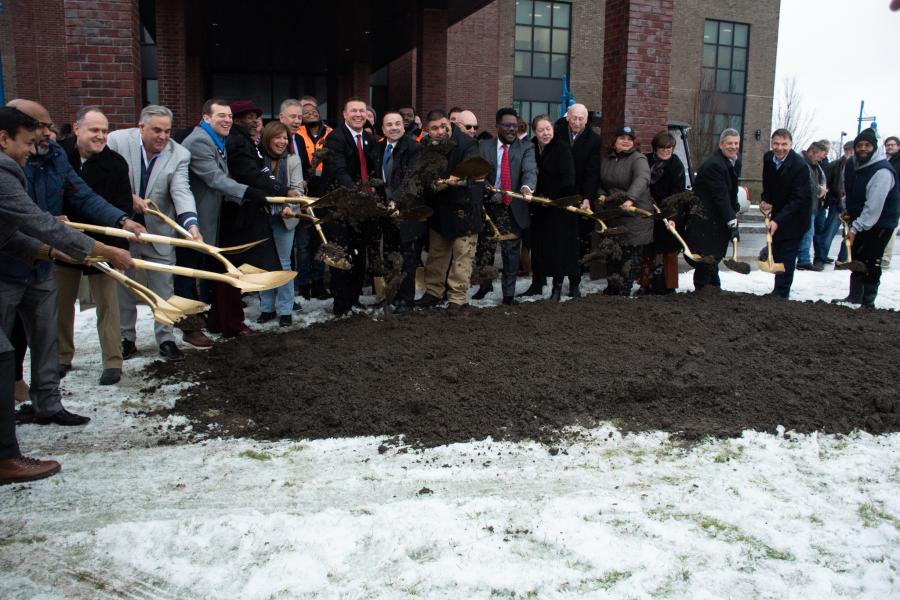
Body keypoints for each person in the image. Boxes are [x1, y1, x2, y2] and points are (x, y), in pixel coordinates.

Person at [0, 106, 134, 484]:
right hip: (9, 268)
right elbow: (32, 220)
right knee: (5, 352)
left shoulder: (54, 156)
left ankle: (47, 405)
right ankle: (6, 446)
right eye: (35, 130)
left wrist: (120, 220)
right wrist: (102, 250)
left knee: (42, 335)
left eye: (44, 127)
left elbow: (81, 195)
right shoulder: (6, 167)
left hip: (38, 259)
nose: (43, 135)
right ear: (7, 135)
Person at [107, 105, 200, 361]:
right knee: (123, 285)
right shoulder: (116, 141)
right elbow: (105, 180)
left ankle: (166, 339)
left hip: (158, 232)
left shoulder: (179, 153)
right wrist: (129, 198)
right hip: (121, 229)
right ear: (141, 127)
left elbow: (181, 191)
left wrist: (191, 225)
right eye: (156, 130)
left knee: (163, 287)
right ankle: (127, 339)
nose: (162, 137)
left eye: (167, 131)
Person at [181, 98, 272, 344]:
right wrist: (248, 192)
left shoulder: (216, 139)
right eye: (221, 115)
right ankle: (191, 329)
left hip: (214, 221)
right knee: (192, 277)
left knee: (213, 274)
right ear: (206, 118)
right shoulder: (200, 141)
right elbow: (214, 178)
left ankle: (213, 321)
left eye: (229, 116)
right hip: (197, 223)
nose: (227, 120)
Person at [56, 106, 133, 385]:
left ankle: (112, 361)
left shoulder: (115, 164)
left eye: (104, 130)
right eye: (94, 130)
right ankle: (62, 356)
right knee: (61, 304)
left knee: (107, 305)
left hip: (103, 243)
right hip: (63, 241)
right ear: (77, 129)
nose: (100, 136)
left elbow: (122, 206)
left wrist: (112, 249)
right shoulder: (58, 156)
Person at [220, 100, 286, 335]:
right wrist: (277, 190)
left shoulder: (245, 141)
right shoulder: (237, 142)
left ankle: (225, 320)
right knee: (236, 269)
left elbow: (259, 171)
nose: (255, 121)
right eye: (249, 117)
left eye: (256, 117)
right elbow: (249, 173)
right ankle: (232, 322)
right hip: (239, 215)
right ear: (237, 119)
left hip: (245, 210)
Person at [416, 109, 482, 309]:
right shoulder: (426, 146)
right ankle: (434, 292)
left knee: (462, 256)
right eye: (434, 128)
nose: (439, 131)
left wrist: (455, 181)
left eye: (443, 126)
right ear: (428, 130)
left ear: (450, 124)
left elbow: (473, 173)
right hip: (439, 209)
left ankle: (457, 298)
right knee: (436, 255)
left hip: (465, 208)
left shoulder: (468, 144)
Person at [472, 108, 537, 305]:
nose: (511, 129)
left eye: (514, 126)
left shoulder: (526, 148)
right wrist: (487, 188)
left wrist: (526, 188)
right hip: (489, 206)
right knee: (486, 249)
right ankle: (485, 286)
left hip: (513, 206)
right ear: (498, 126)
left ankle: (508, 294)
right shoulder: (484, 147)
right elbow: (476, 174)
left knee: (511, 252)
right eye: (507, 125)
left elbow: (530, 170)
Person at [320, 97, 378, 316]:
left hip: (364, 209)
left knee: (359, 254)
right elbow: (339, 171)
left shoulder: (370, 140)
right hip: (340, 207)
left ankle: (354, 299)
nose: (358, 114)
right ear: (344, 115)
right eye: (353, 111)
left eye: (362, 111)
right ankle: (341, 304)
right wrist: (357, 192)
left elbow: (374, 171)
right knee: (341, 254)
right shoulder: (335, 139)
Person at [832, 128, 899, 307]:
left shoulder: (882, 171)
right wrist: (847, 209)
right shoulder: (852, 165)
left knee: (871, 260)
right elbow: (848, 191)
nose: (863, 148)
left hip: (881, 223)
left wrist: (855, 228)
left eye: (867, 145)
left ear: (874, 147)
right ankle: (854, 296)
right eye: (859, 145)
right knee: (858, 257)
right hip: (861, 219)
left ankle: (868, 303)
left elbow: (873, 208)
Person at [683, 128, 743, 292]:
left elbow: (731, 190)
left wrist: (734, 207)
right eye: (729, 143)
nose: (733, 146)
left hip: (718, 217)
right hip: (706, 218)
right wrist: (732, 222)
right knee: (707, 255)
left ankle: (714, 288)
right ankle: (702, 290)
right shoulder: (714, 165)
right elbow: (720, 196)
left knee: (713, 256)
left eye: (736, 143)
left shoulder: (734, 161)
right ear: (721, 144)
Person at [257, 121, 304, 326]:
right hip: (262, 218)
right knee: (263, 265)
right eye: (278, 137)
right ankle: (266, 308)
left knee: (284, 264)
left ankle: (286, 310)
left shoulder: (293, 160)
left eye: (285, 138)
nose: (282, 141)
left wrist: (290, 207)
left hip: (285, 219)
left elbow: (298, 190)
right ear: (268, 138)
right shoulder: (258, 160)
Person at [596, 126, 652, 296]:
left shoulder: (638, 159)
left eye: (629, 138)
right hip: (614, 215)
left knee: (630, 256)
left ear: (634, 142)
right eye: (622, 138)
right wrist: (601, 195)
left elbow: (642, 179)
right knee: (613, 254)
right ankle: (613, 287)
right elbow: (600, 182)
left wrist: (631, 198)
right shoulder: (607, 159)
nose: (626, 141)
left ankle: (624, 290)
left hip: (634, 215)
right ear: (614, 141)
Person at [376, 110, 422, 314]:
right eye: (389, 124)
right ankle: (391, 295)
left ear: (404, 127)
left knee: (407, 258)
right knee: (389, 255)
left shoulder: (414, 148)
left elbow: (411, 178)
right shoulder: (377, 149)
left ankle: (406, 300)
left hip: (407, 212)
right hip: (386, 213)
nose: (394, 127)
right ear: (383, 129)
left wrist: (396, 199)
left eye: (397, 123)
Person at [527, 114, 578, 301]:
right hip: (539, 205)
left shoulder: (562, 148)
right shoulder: (531, 146)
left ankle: (560, 286)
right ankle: (537, 282)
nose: (545, 133)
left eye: (548, 129)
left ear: (553, 129)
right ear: (535, 132)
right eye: (541, 130)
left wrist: (554, 198)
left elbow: (568, 178)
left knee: (560, 247)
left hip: (560, 205)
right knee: (539, 245)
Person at [758, 128, 812, 298]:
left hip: (795, 217)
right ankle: (778, 289)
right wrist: (765, 199)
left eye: (784, 144)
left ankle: (782, 293)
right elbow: (768, 184)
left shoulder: (800, 166)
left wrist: (778, 220)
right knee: (778, 251)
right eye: (776, 143)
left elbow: (798, 199)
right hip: (779, 214)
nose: (779, 148)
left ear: (791, 145)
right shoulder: (768, 158)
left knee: (787, 255)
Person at [558, 104, 602, 279]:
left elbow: (592, 173)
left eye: (580, 119)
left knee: (577, 239)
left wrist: (587, 198)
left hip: (579, 194)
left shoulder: (594, 140)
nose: (576, 122)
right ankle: (557, 278)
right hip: (558, 193)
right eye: (574, 118)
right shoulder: (557, 133)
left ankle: (575, 277)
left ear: (586, 120)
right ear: (567, 117)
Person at [295, 99, 332, 299]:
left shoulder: (332, 133)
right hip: (304, 193)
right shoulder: (297, 134)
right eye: (305, 112)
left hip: (324, 192)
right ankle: (303, 283)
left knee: (320, 241)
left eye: (313, 111)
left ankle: (318, 281)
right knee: (303, 243)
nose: (310, 114)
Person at [641, 131, 686, 294]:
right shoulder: (646, 161)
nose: (666, 151)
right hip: (649, 211)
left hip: (670, 211)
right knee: (648, 249)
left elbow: (678, 193)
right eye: (662, 148)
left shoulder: (676, 165)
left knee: (670, 250)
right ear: (655, 148)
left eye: (669, 148)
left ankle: (670, 286)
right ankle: (645, 284)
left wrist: (672, 216)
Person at [815, 141, 854, 267]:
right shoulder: (835, 165)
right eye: (849, 150)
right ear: (845, 151)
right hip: (836, 205)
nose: (851, 153)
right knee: (828, 233)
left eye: (853, 151)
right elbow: (827, 184)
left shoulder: (860, 167)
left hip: (853, 206)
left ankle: (843, 260)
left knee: (849, 234)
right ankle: (820, 258)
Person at [797, 141, 829, 271]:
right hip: (804, 205)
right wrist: (819, 189)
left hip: (813, 205)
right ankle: (804, 260)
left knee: (807, 233)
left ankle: (803, 258)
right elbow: (805, 183)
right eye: (820, 156)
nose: (821, 159)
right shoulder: (801, 163)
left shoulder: (816, 166)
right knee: (807, 233)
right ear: (812, 152)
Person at [880, 135, 900, 268]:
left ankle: (886, 257)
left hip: (896, 198)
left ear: (898, 146)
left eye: (893, 145)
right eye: (888, 145)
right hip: (884, 197)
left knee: (891, 227)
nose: (890, 147)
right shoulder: (886, 160)